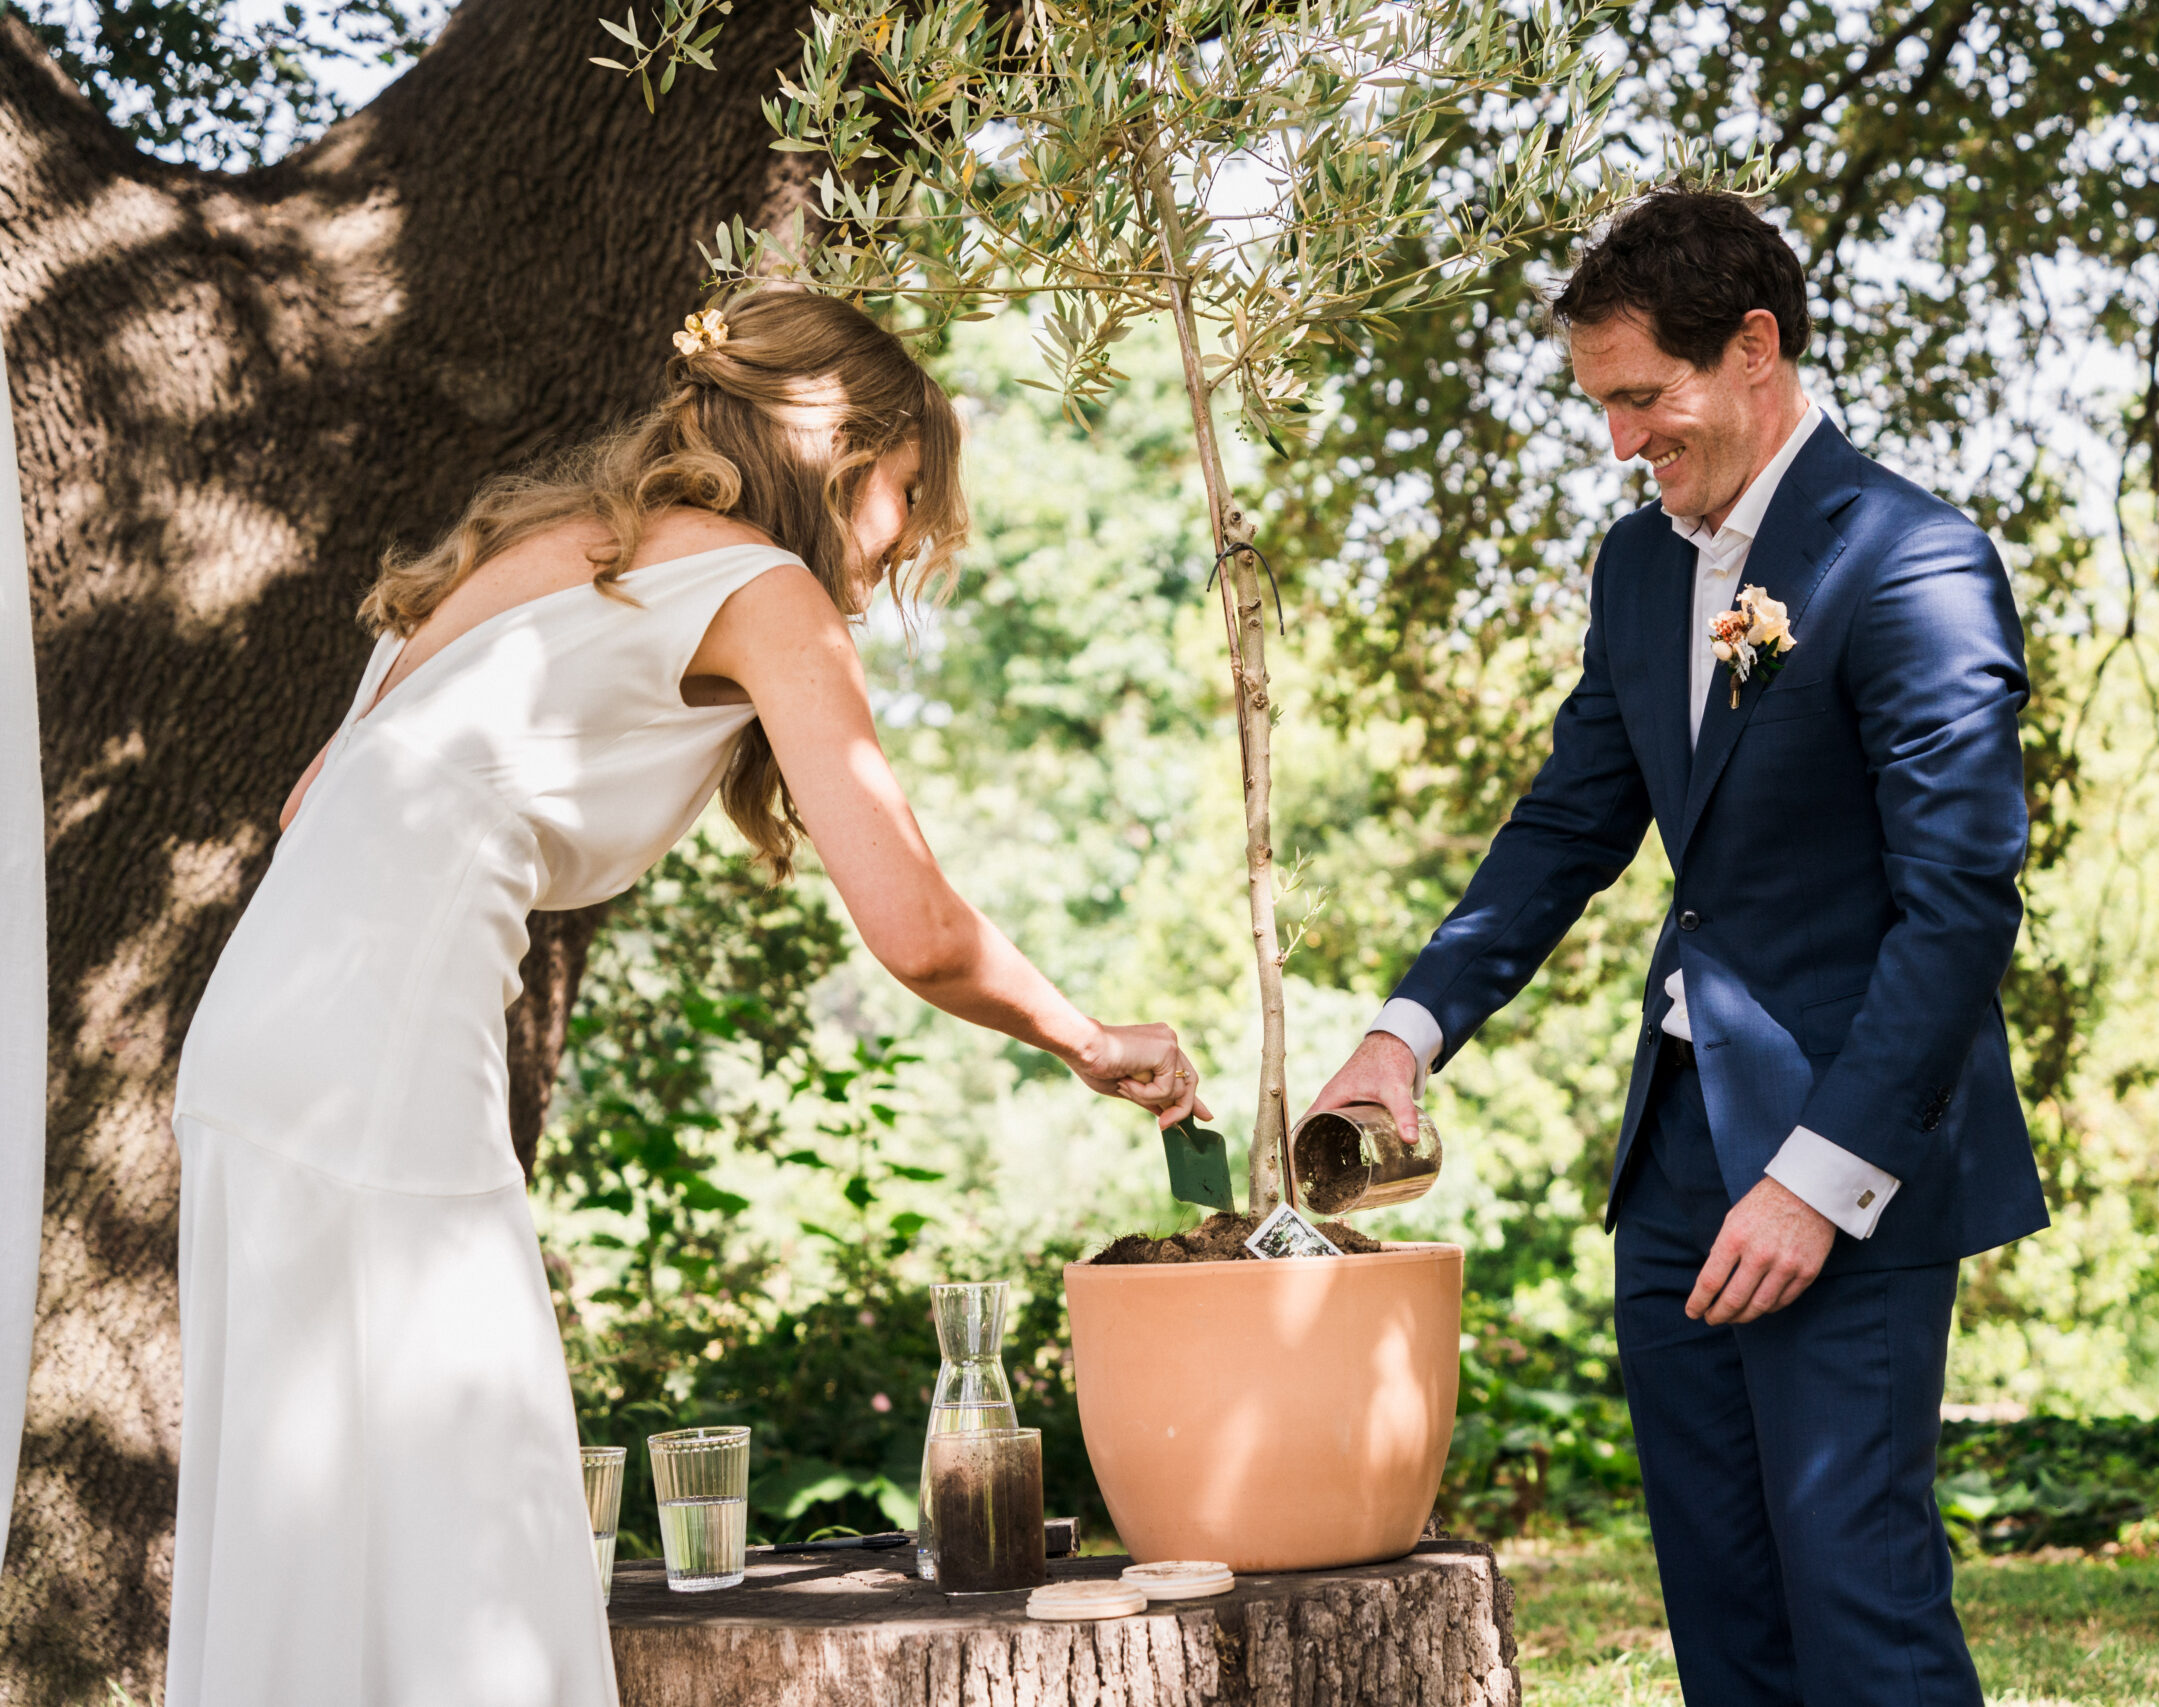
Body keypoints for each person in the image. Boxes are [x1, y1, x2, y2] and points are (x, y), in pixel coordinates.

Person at [165, 290, 1209, 1706]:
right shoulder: (755, 586)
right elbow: (914, 923)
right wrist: (1089, 1038)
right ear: (842, 451)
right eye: (904, 489)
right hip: (376, 1055)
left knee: (312, 1515)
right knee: (474, 1504)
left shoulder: (543, 556)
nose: (897, 538)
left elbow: (315, 803)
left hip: (253, 1047)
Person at [1309, 189, 2047, 1706]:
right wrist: (1405, 1033)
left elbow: (1961, 903)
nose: (1620, 441)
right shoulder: (1640, 569)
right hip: (1675, 1171)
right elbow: (1564, 830)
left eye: (1643, 397)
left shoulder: (1909, 560)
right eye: (1600, 405)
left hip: (1844, 1168)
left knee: (1858, 1591)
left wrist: (1819, 1178)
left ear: (1756, 351)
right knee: (1723, 1606)